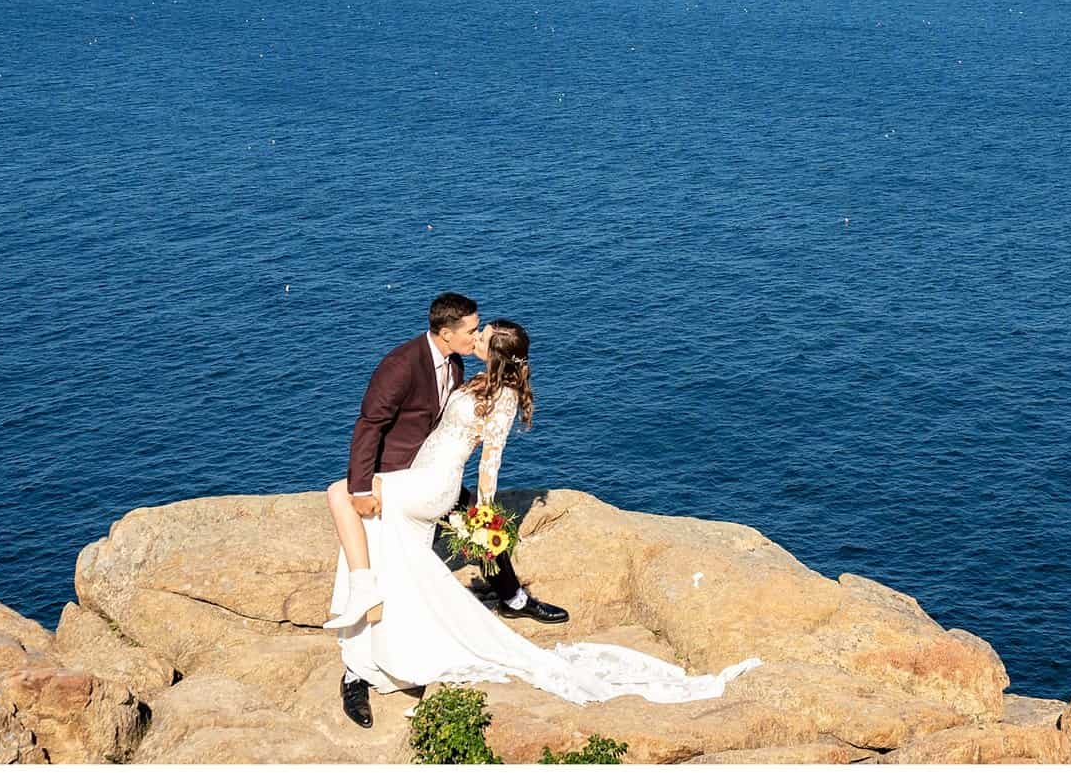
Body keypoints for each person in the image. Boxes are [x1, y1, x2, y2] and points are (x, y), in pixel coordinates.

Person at [323, 296, 759, 727]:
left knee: (343, 498)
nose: (476, 335)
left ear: (493, 353)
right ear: (448, 333)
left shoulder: (486, 384)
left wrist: (484, 517)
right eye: (474, 330)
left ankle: (361, 655)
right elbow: (376, 425)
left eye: (482, 334)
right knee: (394, 566)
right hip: (414, 476)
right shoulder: (443, 368)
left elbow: (488, 464)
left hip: (430, 485)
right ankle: (383, 655)